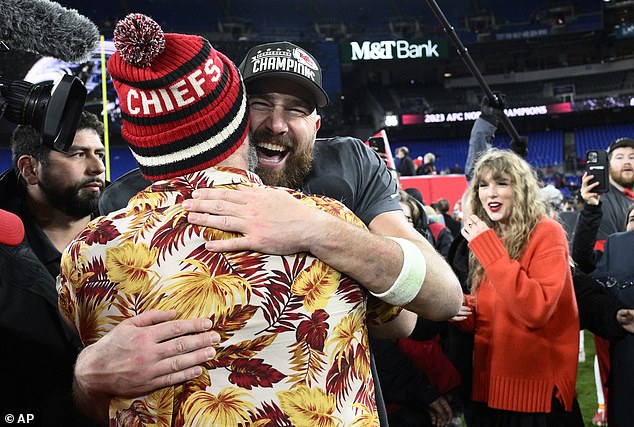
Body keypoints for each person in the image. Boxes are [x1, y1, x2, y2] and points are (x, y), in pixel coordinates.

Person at [59, 14, 418, 426]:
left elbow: (99, 404)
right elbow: (405, 317)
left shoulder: (88, 253)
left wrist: (86, 378)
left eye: (294, 110)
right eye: (261, 104)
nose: (276, 123)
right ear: (237, 124)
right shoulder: (332, 222)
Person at [454, 148, 582, 425]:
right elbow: (496, 308)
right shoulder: (491, 237)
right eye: (483, 185)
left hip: (536, 399)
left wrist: (488, 248)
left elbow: (535, 309)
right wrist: (460, 308)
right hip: (490, 392)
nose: (491, 193)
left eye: (502, 183)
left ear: (521, 189)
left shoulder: (547, 232)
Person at [0, 110, 105, 426]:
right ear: (30, 169)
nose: (97, 167)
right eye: (77, 154)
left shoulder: (137, 222)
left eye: (99, 154)